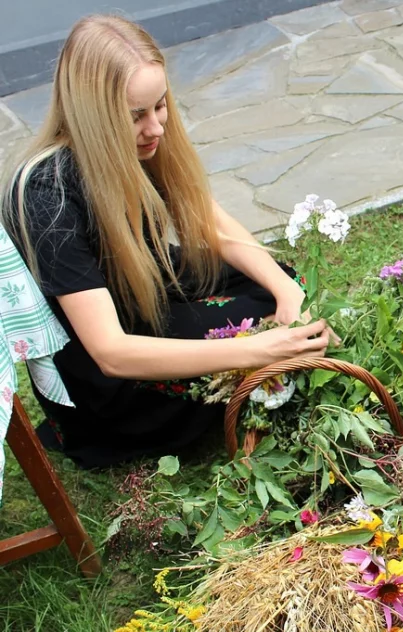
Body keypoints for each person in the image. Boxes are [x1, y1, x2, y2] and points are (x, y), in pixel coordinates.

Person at [1, 15, 333, 468]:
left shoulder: (147, 141)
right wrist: (257, 349)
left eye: (160, 105)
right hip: (114, 368)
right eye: (136, 115)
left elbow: (209, 225)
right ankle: (253, 373)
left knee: (278, 279)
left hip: (148, 289)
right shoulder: (47, 194)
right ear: (91, 115)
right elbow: (111, 352)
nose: (156, 126)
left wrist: (287, 292)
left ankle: (260, 363)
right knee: (255, 326)